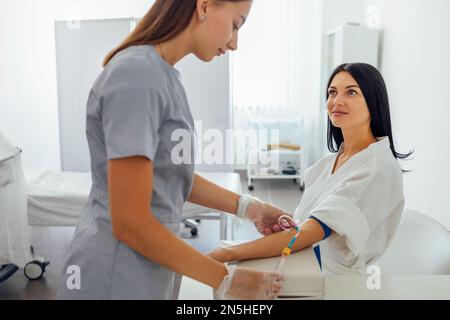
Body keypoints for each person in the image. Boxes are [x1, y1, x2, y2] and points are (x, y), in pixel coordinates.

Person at [57, 0, 290, 300]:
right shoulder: (136, 75)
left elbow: (171, 176)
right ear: (204, 6)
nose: (234, 43)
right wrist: (227, 280)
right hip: (114, 274)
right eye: (235, 25)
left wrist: (252, 208)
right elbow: (130, 222)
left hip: (147, 267)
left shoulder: (163, 75)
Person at [208, 63, 412, 275]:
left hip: (333, 278)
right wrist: (293, 226)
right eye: (332, 92)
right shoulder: (336, 160)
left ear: (374, 101)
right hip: (307, 259)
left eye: (351, 92)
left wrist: (228, 253)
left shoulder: (376, 168)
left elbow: (310, 232)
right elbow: (310, 226)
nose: (337, 101)